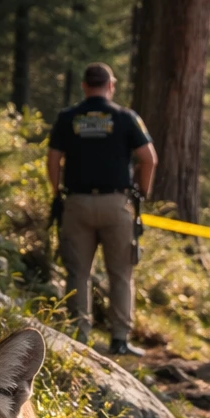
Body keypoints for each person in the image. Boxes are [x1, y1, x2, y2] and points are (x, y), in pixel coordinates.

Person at [46, 62, 158, 357]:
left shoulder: (68, 117)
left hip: (77, 203)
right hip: (116, 203)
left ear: (84, 86)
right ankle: (119, 339)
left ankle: (79, 337)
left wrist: (57, 193)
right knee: (121, 273)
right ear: (111, 85)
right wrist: (142, 192)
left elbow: (53, 159)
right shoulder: (126, 117)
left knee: (78, 273)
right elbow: (149, 158)